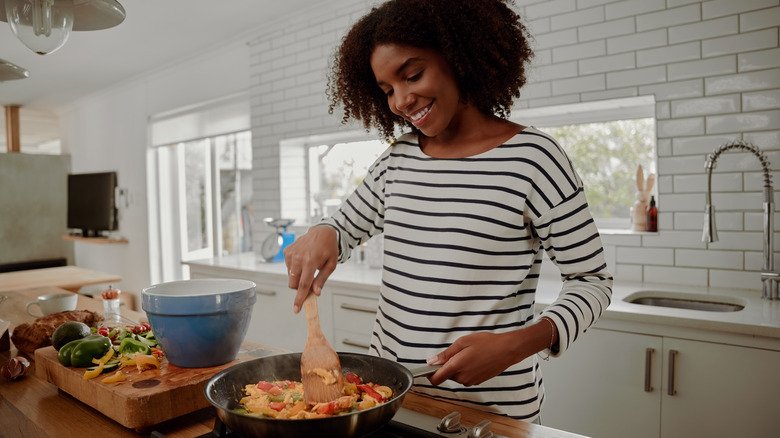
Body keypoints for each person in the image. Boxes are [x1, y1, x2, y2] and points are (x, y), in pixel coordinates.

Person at [284, 0, 613, 422]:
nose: (401, 100)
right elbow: (345, 226)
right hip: (390, 400)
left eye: (413, 74)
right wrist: (324, 233)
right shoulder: (398, 159)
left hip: (493, 411)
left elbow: (592, 281)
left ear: (458, 55)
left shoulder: (534, 159)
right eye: (387, 90)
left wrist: (519, 343)